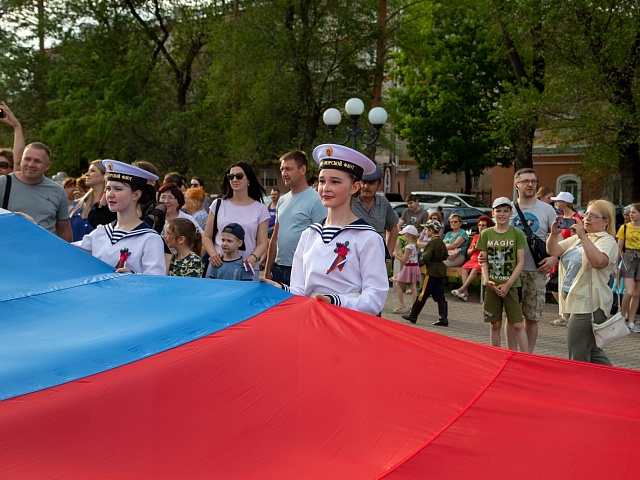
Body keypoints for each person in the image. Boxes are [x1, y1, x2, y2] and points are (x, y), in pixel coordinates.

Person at [262, 144, 388, 315]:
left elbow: (375, 299)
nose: (325, 188)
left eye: (335, 181)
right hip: (313, 322)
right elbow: (300, 290)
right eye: (322, 181)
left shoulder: (367, 237)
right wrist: (281, 289)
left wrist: (335, 301)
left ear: (354, 187)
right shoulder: (309, 234)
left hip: (347, 325)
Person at [546, 199, 618, 365]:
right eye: (586, 214)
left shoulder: (606, 240)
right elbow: (553, 250)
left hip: (590, 305)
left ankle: (581, 386)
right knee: (592, 352)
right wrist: (554, 234)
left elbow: (598, 262)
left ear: (606, 221)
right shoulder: (578, 238)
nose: (587, 219)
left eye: (593, 216)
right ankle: (618, 385)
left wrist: (584, 237)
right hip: (576, 302)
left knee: (577, 352)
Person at [73, 160, 166, 275]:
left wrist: (133, 277)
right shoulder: (100, 232)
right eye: (108, 189)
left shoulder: (149, 238)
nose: (110, 194)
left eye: (118, 189)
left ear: (136, 194)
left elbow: (156, 281)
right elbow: (67, 252)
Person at [510, 167, 558, 353]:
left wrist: (554, 258)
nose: (530, 184)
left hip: (536, 270)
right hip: (512, 271)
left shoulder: (547, 210)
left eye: (533, 181)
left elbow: (559, 239)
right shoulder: (508, 209)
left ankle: (528, 355)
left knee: (532, 317)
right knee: (513, 317)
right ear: (517, 185)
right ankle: (511, 354)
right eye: (525, 181)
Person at [264, 150, 327, 285]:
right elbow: (275, 236)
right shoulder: (282, 200)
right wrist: (268, 268)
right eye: (282, 169)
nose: (284, 174)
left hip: (302, 269)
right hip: (279, 268)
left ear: (303, 169)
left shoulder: (316, 201)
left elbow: (322, 240)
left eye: (288, 169)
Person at [203, 162, 269, 281]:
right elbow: (207, 236)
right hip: (219, 266)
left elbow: (263, 242)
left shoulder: (260, 209)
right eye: (230, 176)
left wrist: (254, 257)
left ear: (248, 178)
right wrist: (213, 255)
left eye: (239, 176)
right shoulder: (218, 204)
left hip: (246, 267)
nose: (234, 179)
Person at [478, 198, 528, 351]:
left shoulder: (517, 233)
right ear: (493, 213)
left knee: (518, 323)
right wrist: (486, 280)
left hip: (512, 285)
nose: (501, 214)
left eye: (505, 211)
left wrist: (508, 284)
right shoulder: (486, 234)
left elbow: (520, 262)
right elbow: (483, 259)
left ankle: (527, 357)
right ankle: (496, 355)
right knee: (495, 324)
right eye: (498, 211)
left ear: (511, 213)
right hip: (492, 285)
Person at [0, 142, 72, 241]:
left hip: (44, 252)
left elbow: (64, 230)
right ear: (21, 160)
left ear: (47, 166)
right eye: (27, 159)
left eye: (37, 161)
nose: (30, 164)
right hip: (10, 250)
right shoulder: (3, 183)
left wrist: (65, 254)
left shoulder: (58, 191)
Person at [88, 160, 166, 235]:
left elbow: (146, 229)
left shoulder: (156, 207)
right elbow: (96, 220)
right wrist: (109, 186)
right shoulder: (121, 204)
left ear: (152, 182)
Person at [401, 219, 449, 326]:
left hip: (432, 271)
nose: (425, 231)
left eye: (426, 229)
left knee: (422, 293)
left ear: (431, 230)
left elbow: (426, 257)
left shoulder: (431, 243)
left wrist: (419, 263)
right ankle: (443, 318)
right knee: (440, 295)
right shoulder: (441, 242)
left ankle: (413, 315)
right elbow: (446, 255)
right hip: (441, 270)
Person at [351, 166, 399, 259]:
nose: (366, 187)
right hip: (353, 257)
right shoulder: (349, 201)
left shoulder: (383, 203)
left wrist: (387, 255)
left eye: (371, 183)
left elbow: (393, 228)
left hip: (377, 257)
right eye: (363, 182)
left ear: (379, 185)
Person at [451, 215, 494, 301]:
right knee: (464, 269)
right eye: (479, 225)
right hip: (473, 259)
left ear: (488, 226)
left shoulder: (491, 237)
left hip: (482, 260)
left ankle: (461, 290)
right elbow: (469, 253)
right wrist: (474, 248)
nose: (481, 227)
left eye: (483, 225)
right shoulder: (476, 237)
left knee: (474, 270)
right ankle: (465, 293)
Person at [616, 202, 640, 333]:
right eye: (630, 212)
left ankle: (631, 321)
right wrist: (615, 265)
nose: (631, 214)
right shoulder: (624, 228)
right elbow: (619, 248)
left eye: (634, 212)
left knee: (637, 294)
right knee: (629, 292)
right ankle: (621, 317)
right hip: (629, 258)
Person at [69, 160, 106, 242]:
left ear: (104, 176)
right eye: (88, 170)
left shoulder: (111, 207)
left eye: (92, 171)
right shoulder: (78, 204)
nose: (87, 174)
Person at [391, 225, 421, 313]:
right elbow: (409, 257)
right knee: (413, 286)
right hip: (414, 266)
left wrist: (395, 255)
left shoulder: (409, 247)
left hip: (408, 267)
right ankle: (413, 306)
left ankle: (401, 304)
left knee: (398, 284)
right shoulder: (415, 245)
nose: (403, 237)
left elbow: (404, 260)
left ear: (409, 235)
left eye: (404, 235)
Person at [0, 101, 25, 173]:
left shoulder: (13, 181)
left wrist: (16, 126)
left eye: (3, 165)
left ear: (12, 168)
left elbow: (18, 160)